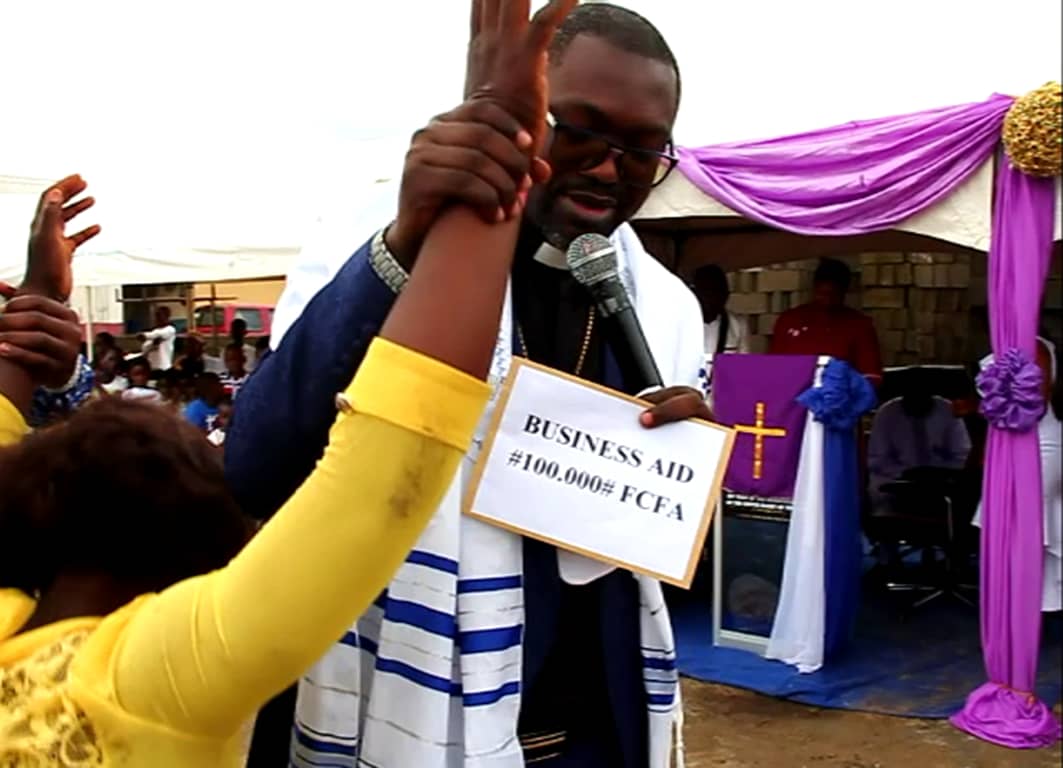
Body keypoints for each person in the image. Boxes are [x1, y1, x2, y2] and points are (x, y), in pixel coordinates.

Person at [0, 10, 589, 757]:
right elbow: (383, 472)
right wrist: (499, 166)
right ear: (198, 570)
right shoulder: (150, 682)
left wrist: (35, 309)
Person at [227, 4, 709, 766]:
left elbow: (646, 556)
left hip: (583, 715)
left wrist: (675, 472)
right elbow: (258, 463)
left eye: (642, 150)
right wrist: (405, 245)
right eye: (579, 131)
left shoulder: (662, 304)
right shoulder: (374, 231)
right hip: (389, 686)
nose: (608, 168)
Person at [867, 367, 971, 514]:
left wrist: (935, 473)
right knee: (877, 490)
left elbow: (962, 455)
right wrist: (906, 473)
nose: (918, 399)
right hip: (897, 477)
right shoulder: (886, 413)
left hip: (941, 477)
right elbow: (877, 459)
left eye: (922, 394)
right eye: (912, 394)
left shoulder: (948, 410)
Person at [771, 258, 883, 385]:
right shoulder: (789, 320)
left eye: (833, 295)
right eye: (822, 294)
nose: (827, 301)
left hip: (839, 394)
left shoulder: (860, 326)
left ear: (844, 292)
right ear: (814, 288)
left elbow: (871, 377)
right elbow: (774, 368)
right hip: (792, 394)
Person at [693, 263, 749, 356]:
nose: (712, 298)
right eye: (707, 292)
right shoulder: (680, 325)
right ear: (695, 294)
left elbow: (744, 362)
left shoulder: (738, 324)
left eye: (717, 292)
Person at [139, 305, 177, 372]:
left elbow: (159, 334)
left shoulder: (170, 329)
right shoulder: (154, 331)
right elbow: (144, 348)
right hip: (152, 367)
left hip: (164, 368)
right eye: (156, 316)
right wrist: (152, 344)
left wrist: (146, 336)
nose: (157, 318)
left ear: (167, 316)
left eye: (159, 315)